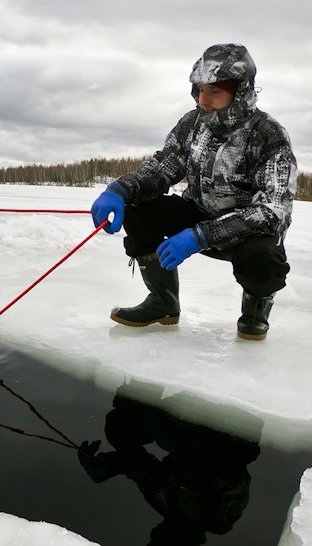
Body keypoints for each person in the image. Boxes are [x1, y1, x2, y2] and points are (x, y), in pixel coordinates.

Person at [91, 43, 297, 340]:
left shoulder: (269, 135)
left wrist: (200, 236)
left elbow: (272, 211)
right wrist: (120, 189)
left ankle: (254, 313)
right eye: (199, 90)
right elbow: (164, 168)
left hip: (244, 233)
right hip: (197, 212)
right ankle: (164, 302)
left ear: (239, 90)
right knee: (138, 208)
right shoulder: (192, 124)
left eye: (213, 91)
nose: (203, 100)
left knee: (264, 258)